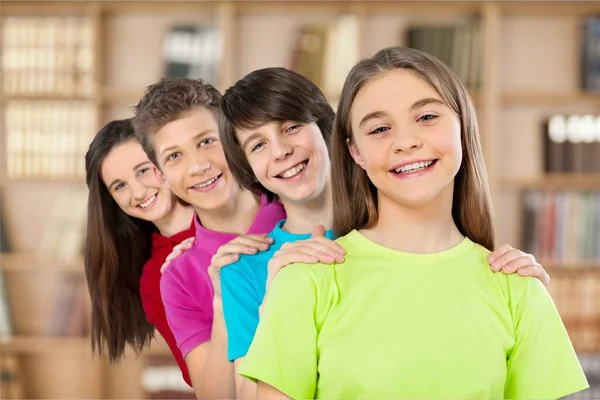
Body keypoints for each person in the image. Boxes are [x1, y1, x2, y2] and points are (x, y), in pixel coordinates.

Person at [236, 48, 589, 399]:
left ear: (463, 126)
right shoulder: (305, 280)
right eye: (380, 128)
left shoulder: (520, 289)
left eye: (426, 117)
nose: (406, 142)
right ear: (355, 152)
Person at [131, 78, 285, 399]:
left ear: (233, 138)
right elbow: (215, 395)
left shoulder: (297, 206)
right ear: (160, 176)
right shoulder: (178, 276)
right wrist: (221, 298)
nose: (199, 166)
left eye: (206, 142)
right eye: (174, 156)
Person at [84, 118, 195, 386]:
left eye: (143, 170)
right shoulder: (156, 279)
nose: (138, 191)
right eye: (119, 186)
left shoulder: (232, 209)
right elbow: (202, 378)